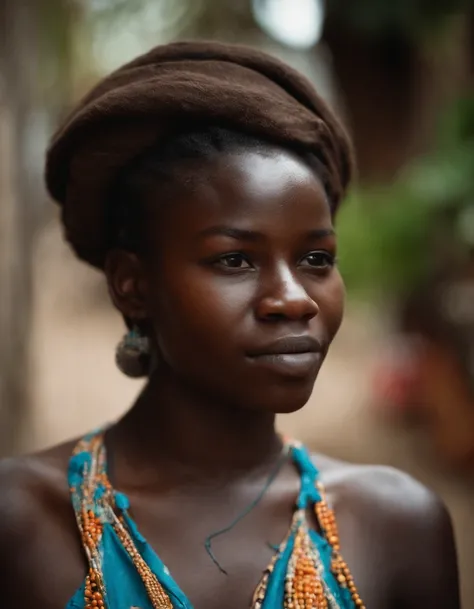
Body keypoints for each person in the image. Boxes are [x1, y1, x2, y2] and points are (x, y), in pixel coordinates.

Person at [0, 41, 460, 609]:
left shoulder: (396, 525)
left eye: (316, 260)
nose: (294, 301)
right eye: (234, 260)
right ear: (131, 284)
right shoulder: (22, 523)